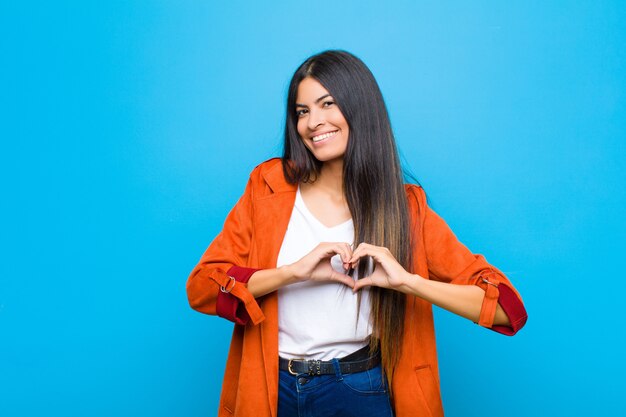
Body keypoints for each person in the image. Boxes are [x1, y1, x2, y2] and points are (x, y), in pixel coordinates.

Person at [187, 50, 527, 417]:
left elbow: (508, 310)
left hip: (359, 391)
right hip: (273, 389)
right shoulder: (267, 186)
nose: (313, 122)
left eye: (327, 104)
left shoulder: (405, 208)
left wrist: (409, 282)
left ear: (359, 107)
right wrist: (291, 273)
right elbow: (203, 287)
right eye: (302, 111)